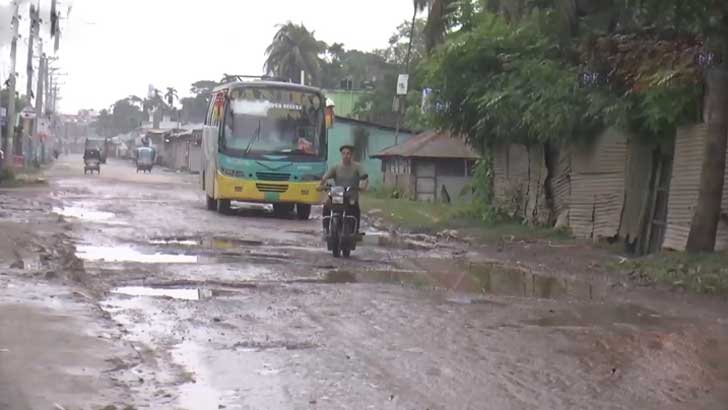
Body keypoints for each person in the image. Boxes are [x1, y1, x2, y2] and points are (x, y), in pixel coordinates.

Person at [320, 144, 369, 235]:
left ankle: (355, 231)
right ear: (341, 155)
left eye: (348, 153)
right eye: (344, 153)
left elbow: (365, 177)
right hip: (338, 194)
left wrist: (364, 187)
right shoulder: (336, 167)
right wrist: (321, 185)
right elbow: (325, 177)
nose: (346, 156)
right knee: (327, 205)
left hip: (351, 195)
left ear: (351, 155)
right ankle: (326, 228)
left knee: (356, 210)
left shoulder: (357, 167)